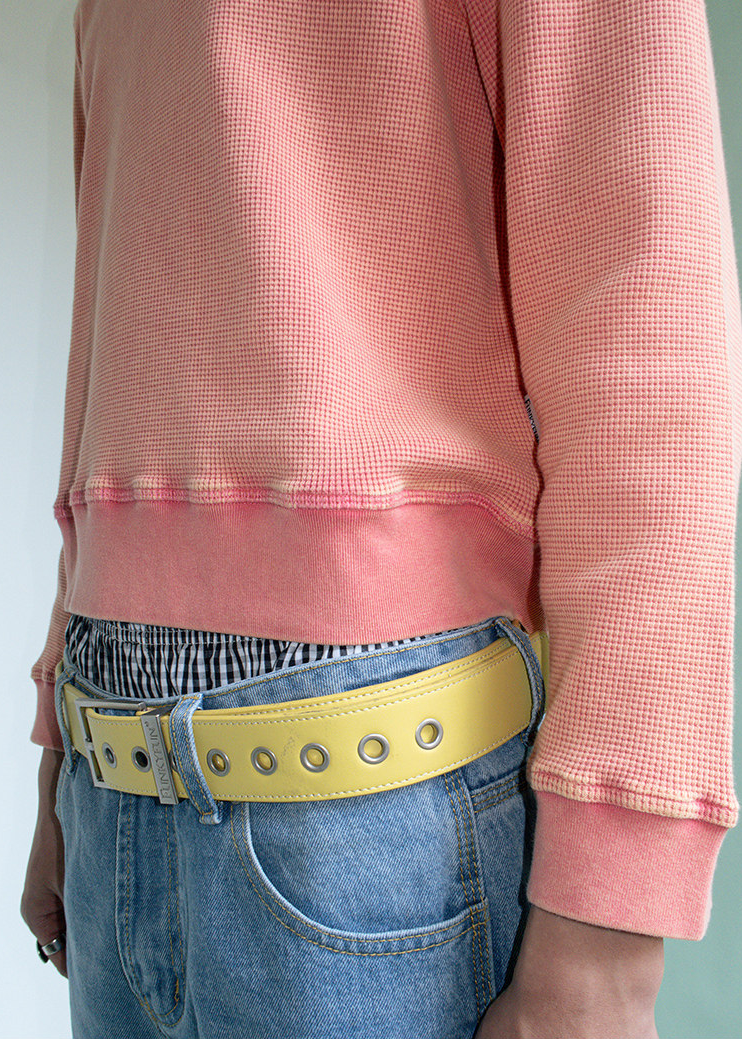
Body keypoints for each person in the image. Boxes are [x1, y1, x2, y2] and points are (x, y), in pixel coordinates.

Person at [21, 1, 740, 1037]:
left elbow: (644, 328)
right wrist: (63, 744)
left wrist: (606, 934)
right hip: (107, 793)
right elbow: (114, 361)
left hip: (375, 821)